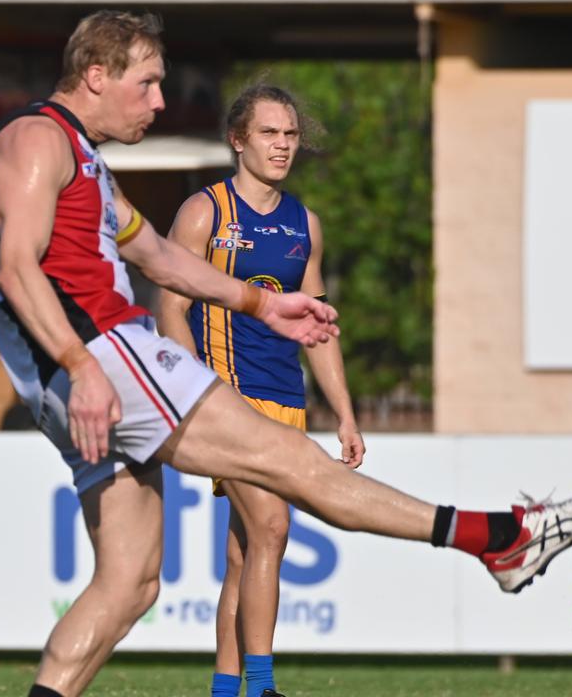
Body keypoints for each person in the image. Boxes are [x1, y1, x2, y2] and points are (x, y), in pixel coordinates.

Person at [0, 10, 572, 697]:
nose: (160, 100)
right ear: (97, 76)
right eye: (149, 82)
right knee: (293, 466)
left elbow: (155, 255)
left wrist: (261, 303)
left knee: (130, 583)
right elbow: (16, 269)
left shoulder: (85, 163)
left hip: (75, 374)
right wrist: (81, 368)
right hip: (102, 356)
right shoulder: (37, 140)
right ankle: (498, 538)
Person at [157, 85, 364, 697]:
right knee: (273, 528)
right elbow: (169, 309)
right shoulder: (206, 213)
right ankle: (264, 685)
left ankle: (226, 689)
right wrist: (197, 393)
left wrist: (345, 415)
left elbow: (318, 331)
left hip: (286, 401)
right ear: (238, 140)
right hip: (229, 398)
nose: (282, 145)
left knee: (248, 554)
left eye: (291, 135)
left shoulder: (305, 225)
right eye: (270, 133)